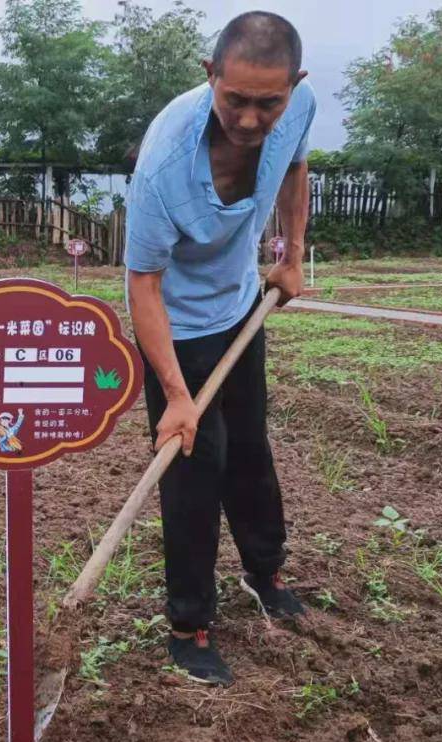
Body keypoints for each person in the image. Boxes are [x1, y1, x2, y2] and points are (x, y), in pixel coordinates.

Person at [124, 11, 315, 686]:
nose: (252, 118)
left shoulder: (297, 109)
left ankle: (264, 572)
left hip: (240, 308)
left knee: (251, 449)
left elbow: (295, 168)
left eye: (270, 101)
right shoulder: (163, 169)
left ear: (294, 86)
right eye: (236, 100)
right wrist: (176, 395)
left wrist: (290, 257)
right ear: (210, 77)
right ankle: (188, 623)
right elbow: (141, 286)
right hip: (174, 326)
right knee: (193, 468)